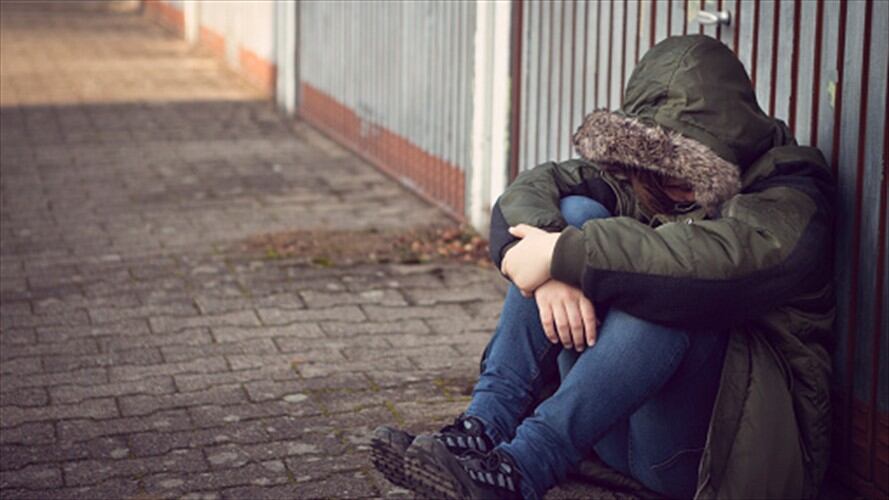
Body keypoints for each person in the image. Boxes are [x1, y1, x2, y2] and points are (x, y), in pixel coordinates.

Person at [371, 34, 834, 500]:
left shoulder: (789, 190)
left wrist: (562, 257)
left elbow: (716, 263)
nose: (669, 179)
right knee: (573, 213)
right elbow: (535, 188)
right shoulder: (636, 178)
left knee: (664, 288)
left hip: (706, 457)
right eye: (657, 163)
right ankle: (482, 431)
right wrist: (552, 275)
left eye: (690, 163)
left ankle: (521, 470)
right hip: (609, 431)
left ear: (730, 143)